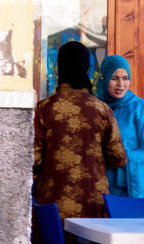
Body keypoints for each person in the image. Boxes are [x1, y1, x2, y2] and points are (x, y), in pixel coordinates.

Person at [34, 41, 128, 221]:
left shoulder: (44, 109)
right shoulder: (102, 109)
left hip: (53, 204)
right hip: (93, 204)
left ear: (60, 67)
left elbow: (33, 158)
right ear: (86, 68)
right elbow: (118, 157)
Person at [96, 54, 144, 199]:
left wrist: (125, 157)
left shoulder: (140, 109)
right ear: (104, 78)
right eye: (114, 78)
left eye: (125, 78)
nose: (121, 84)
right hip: (99, 188)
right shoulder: (94, 108)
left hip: (129, 191)